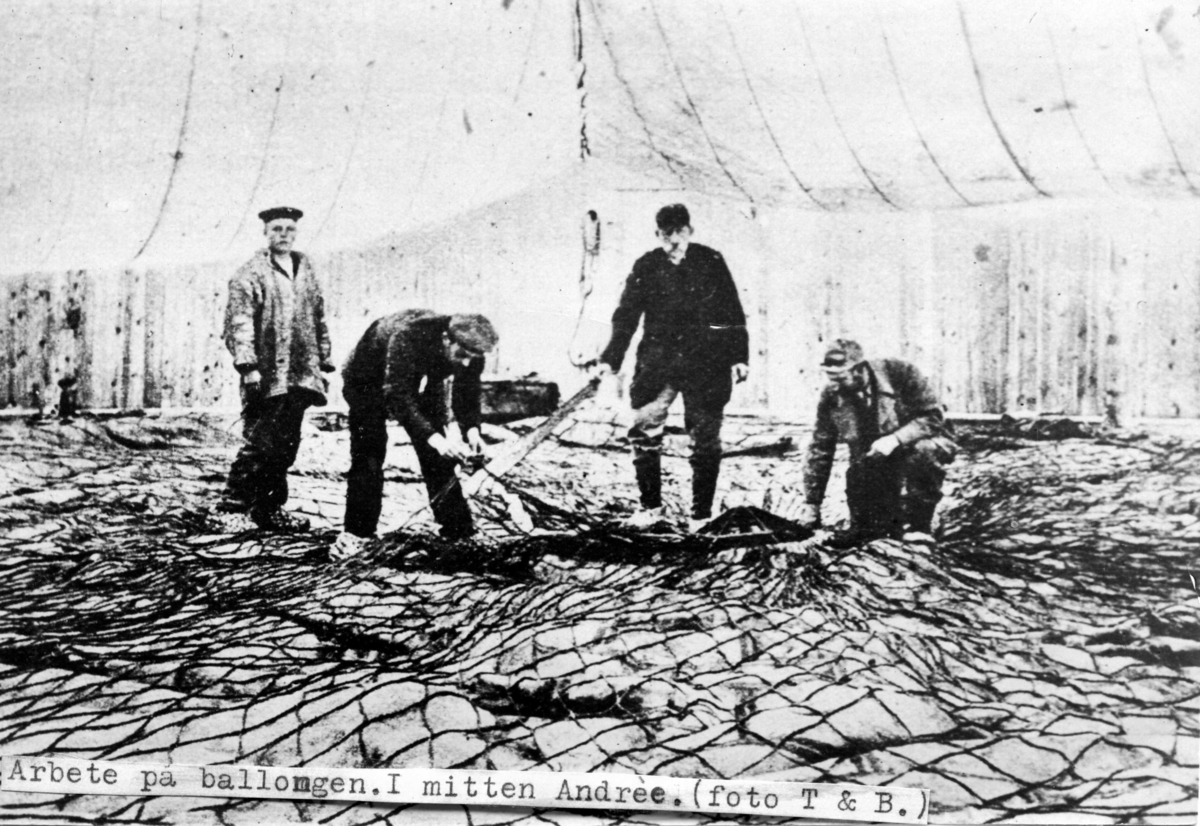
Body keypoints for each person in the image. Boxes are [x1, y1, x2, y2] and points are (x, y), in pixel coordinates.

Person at [592, 204, 749, 531]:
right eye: (667, 234)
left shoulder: (711, 261)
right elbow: (626, 316)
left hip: (706, 364)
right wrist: (610, 359)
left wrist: (738, 356)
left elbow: (730, 312)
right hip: (658, 365)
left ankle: (701, 516)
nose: (674, 239)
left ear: (690, 231)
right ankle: (650, 509)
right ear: (657, 234)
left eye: (680, 232)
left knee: (705, 440)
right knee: (644, 431)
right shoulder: (646, 266)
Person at [332, 309, 498, 559]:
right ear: (446, 339)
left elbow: (467, 393)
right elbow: (398, 395)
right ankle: (357, 534)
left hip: (420, 377)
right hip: (367, 378)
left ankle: (458, 531)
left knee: (438, 456)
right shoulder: (408, 336)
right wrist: (434, 438)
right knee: (370, 452)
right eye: (461, 355)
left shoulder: (471, 350)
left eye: (471, 358)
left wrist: (473, 432)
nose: (465, 363)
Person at [215, 206, 335, 532]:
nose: (283, 234)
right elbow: (238, 324)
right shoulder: (249, 274)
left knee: (286, 445)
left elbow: (319, 318)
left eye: (289, 229)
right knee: (260, 442)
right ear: (265, 232)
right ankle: (230, 508)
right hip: (266, 375)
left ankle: (269, 509)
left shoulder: (306, 270)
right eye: (277, 229)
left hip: (302, 373)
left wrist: (323, 362)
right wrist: (248, 367)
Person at [793, 339, 956, 542]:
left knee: (923, 452)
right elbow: (820, 447)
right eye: (830, 377)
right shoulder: (832, 394)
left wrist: (895, 439)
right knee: (867, 530)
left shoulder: (900, 373)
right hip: (874, 455)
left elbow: (933, 417)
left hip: (924, 440)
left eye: (841, 378)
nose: (835, 385)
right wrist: (812, 503)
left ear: (859, 370)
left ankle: (920, 526)